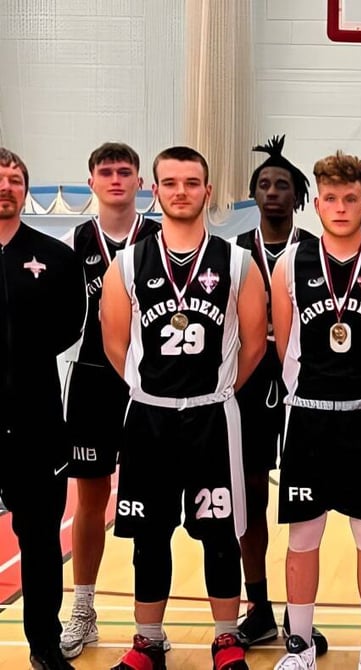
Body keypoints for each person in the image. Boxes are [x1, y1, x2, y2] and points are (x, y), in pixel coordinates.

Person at [101, 145, 267, 670]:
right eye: (170, 183)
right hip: (148, 417)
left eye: (191, 183)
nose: (181, 191)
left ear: (208, 191)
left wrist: (215, 390)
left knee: (220, 532)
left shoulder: (238, 261)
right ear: (156, 191)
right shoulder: (128, 263)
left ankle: (225, 638)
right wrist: (149, 391)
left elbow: (255, 345)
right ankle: (148, 640)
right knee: (149, 535)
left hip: (213, 417)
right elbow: (114, 341)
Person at [269, 150, 361, 670]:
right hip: (308, 414)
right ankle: (299, 644)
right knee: (303, 534)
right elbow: (285, 343)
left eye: (349, 198)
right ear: (317, 204)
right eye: (329, 198)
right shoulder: (290, 264)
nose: (339, 206)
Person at [59, 142, 161, 660]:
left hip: (151, 381)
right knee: (91, 497)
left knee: (149, 500)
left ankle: (149, 622)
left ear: (141, 182)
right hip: (95, 380)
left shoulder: (160, 238)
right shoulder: (73, 242)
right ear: (92, 181)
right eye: (106, 172)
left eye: (125, 172)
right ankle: (83, 607)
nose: (116, 179)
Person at [231, 136, 328, 655]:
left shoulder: (315, 250)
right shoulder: (231, 253)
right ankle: (259, 606)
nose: (272, 192)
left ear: (298, 196)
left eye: (282, 185)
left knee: (301, 502)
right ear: (253, 194)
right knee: (248, 497)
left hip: (300, 384)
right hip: (248, 381)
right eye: (264, 185)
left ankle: (299, 614)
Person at [0, 147, 87, 670]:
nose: (5, 187)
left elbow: (70, 324)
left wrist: (21, 356)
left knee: (37, 538)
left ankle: (44, 645)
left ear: (25, 190)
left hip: (36, 420)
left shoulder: (53, 257)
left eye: (14, 179)